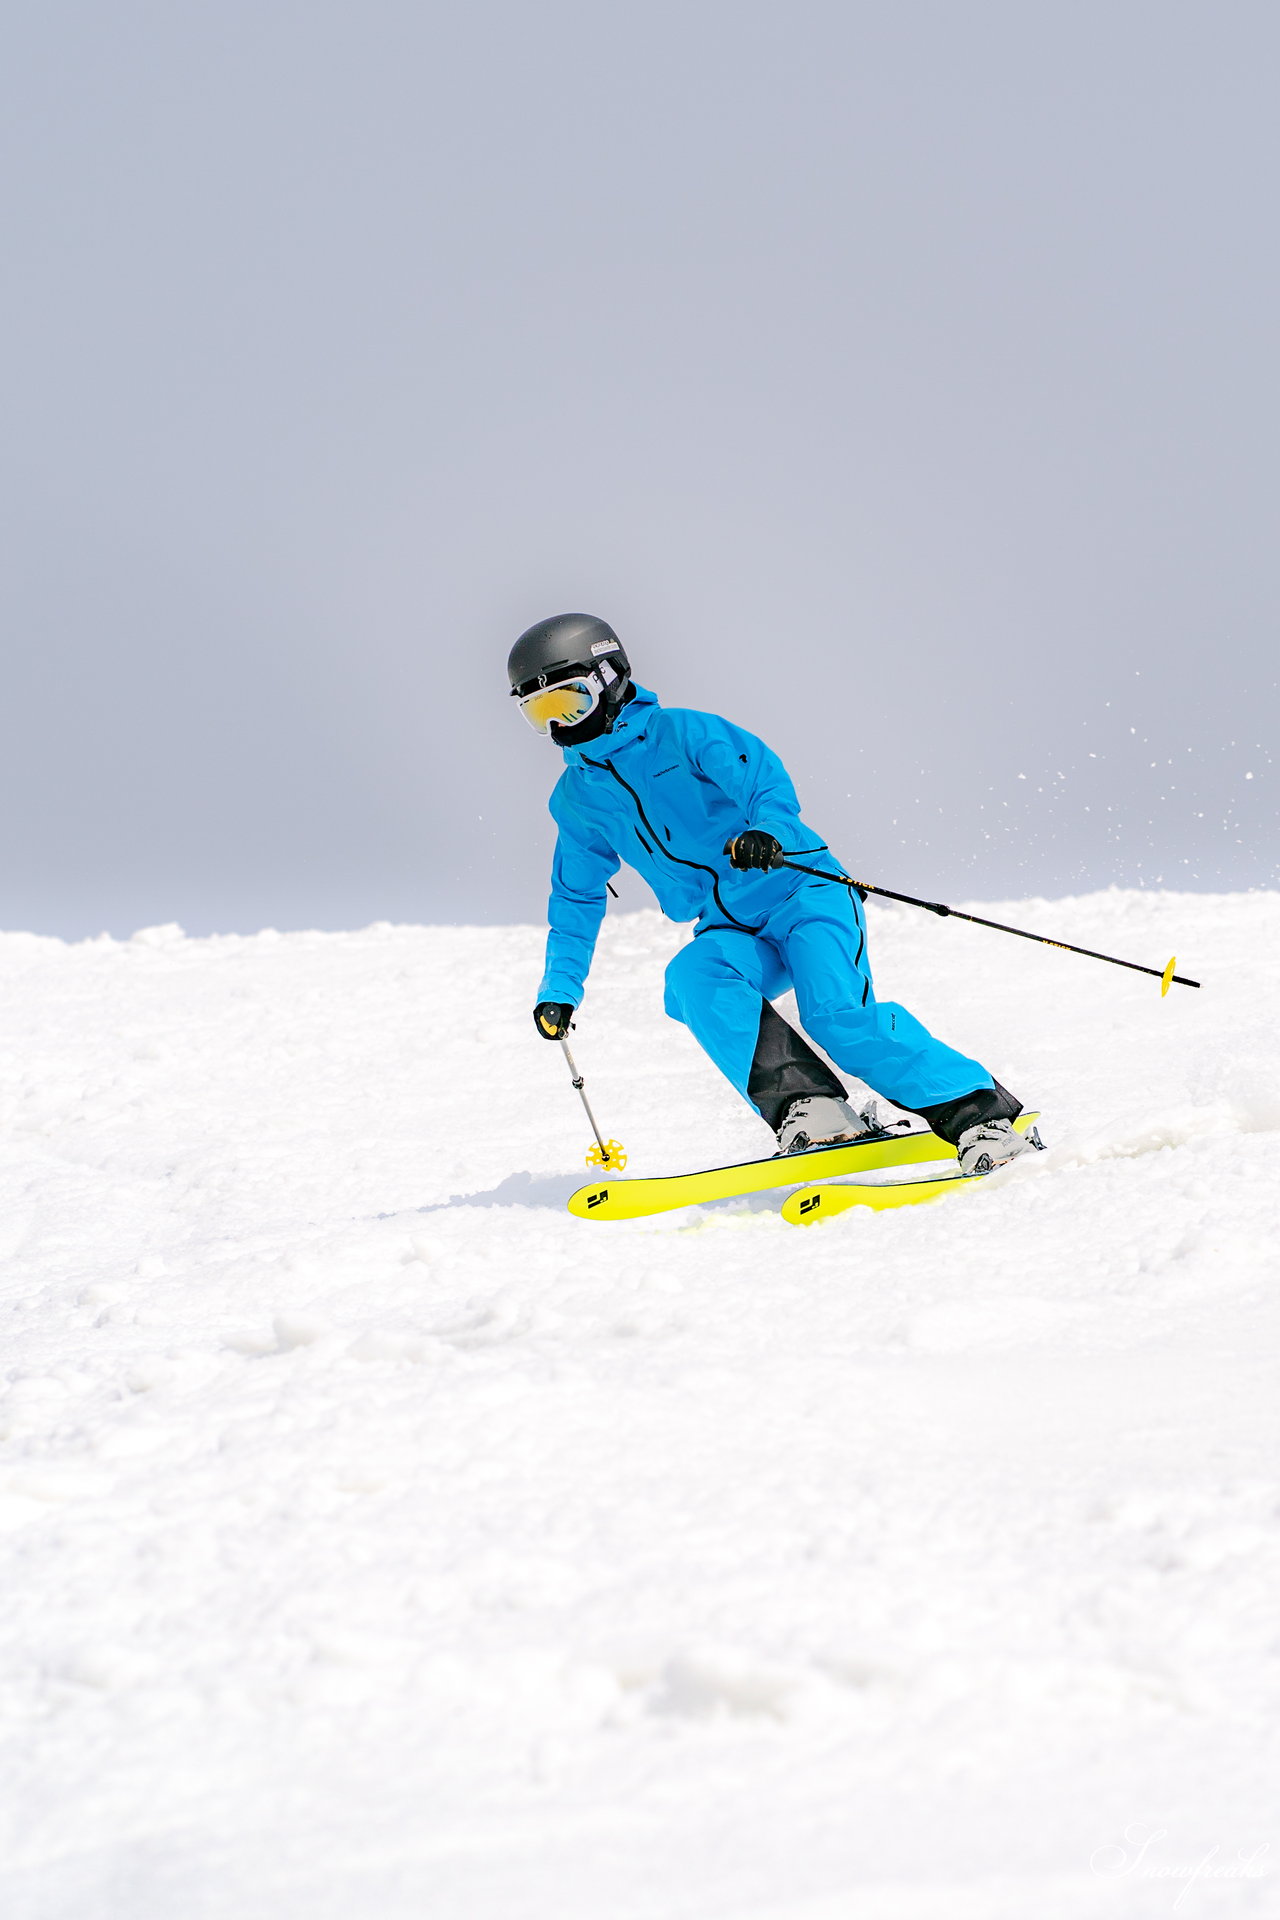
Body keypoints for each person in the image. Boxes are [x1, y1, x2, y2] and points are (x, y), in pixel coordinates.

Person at [511, 612, 1030, 1175]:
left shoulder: (686, 734)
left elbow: (764, 784)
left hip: (802, 893)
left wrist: (768, 834)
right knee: (694, 977)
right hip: (729, 923)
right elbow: (576, 896)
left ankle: (981, 1116)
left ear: (609, 677)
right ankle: (814, 1108)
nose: (560, 723)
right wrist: (560, 986)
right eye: (540, 713)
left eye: (571, 701)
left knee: (837, 1017)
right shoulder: (577, 798)